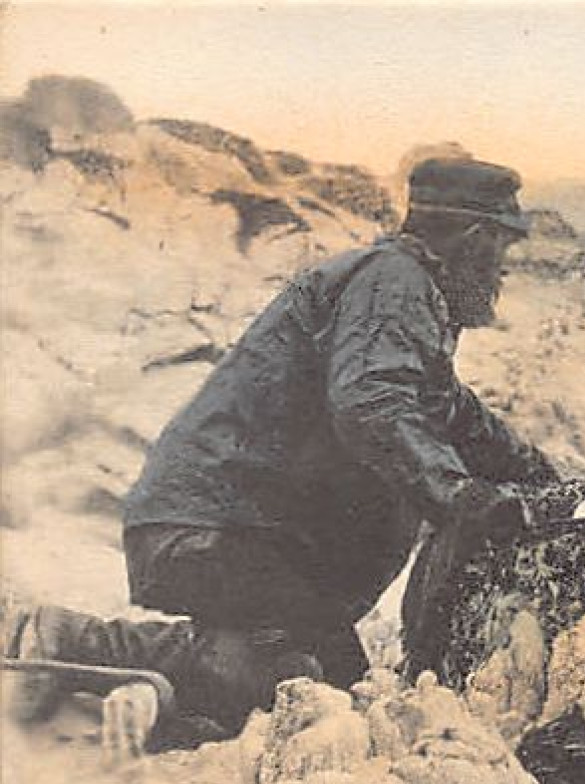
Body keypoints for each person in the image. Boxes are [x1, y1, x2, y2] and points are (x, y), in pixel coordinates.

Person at [2, 158, 556, 743]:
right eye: (503, 251)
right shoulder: (393, 283)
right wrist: (461, 496)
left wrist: (544, 480)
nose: (503, 272)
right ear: (475, 240)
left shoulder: (397, 292)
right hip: (217, 532)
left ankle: (72, 640)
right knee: (310, 698)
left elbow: (456, 414)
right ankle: (111, 664)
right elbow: (372, 405)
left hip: (233, 538)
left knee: (333, 688)